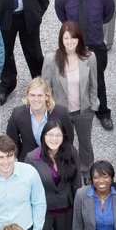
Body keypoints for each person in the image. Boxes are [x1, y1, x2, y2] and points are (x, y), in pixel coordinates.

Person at [54, 0, 115, 131]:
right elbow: (62, 17)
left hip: (95, 45)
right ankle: (74, 112)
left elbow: (108, 15)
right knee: (72, 78)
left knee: (98, 78)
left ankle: (102, 112)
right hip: (73, 46)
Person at [26, 120, 81, 230]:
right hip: (43, 209)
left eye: (58, 135)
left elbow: (77, 181)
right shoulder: (32, 157)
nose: (54, 138)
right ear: (43, 136)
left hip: (67, 206)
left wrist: (78, 206)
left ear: (63, 136)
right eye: (50, 134)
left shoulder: (71, 152)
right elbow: (28, 187)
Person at [41, 23, 97, 177]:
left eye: (73, 37)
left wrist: (93, 105)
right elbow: (45, 87)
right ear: (61, 39)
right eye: (66, 38)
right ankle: (66, 171)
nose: (70, 41)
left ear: (79, 39)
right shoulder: (51, 59)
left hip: (84, 111)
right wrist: (49, 109)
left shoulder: (89, 57)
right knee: (63, 143)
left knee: (85, 144)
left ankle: (87, 172)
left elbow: (94, 83)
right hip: (60, 112)